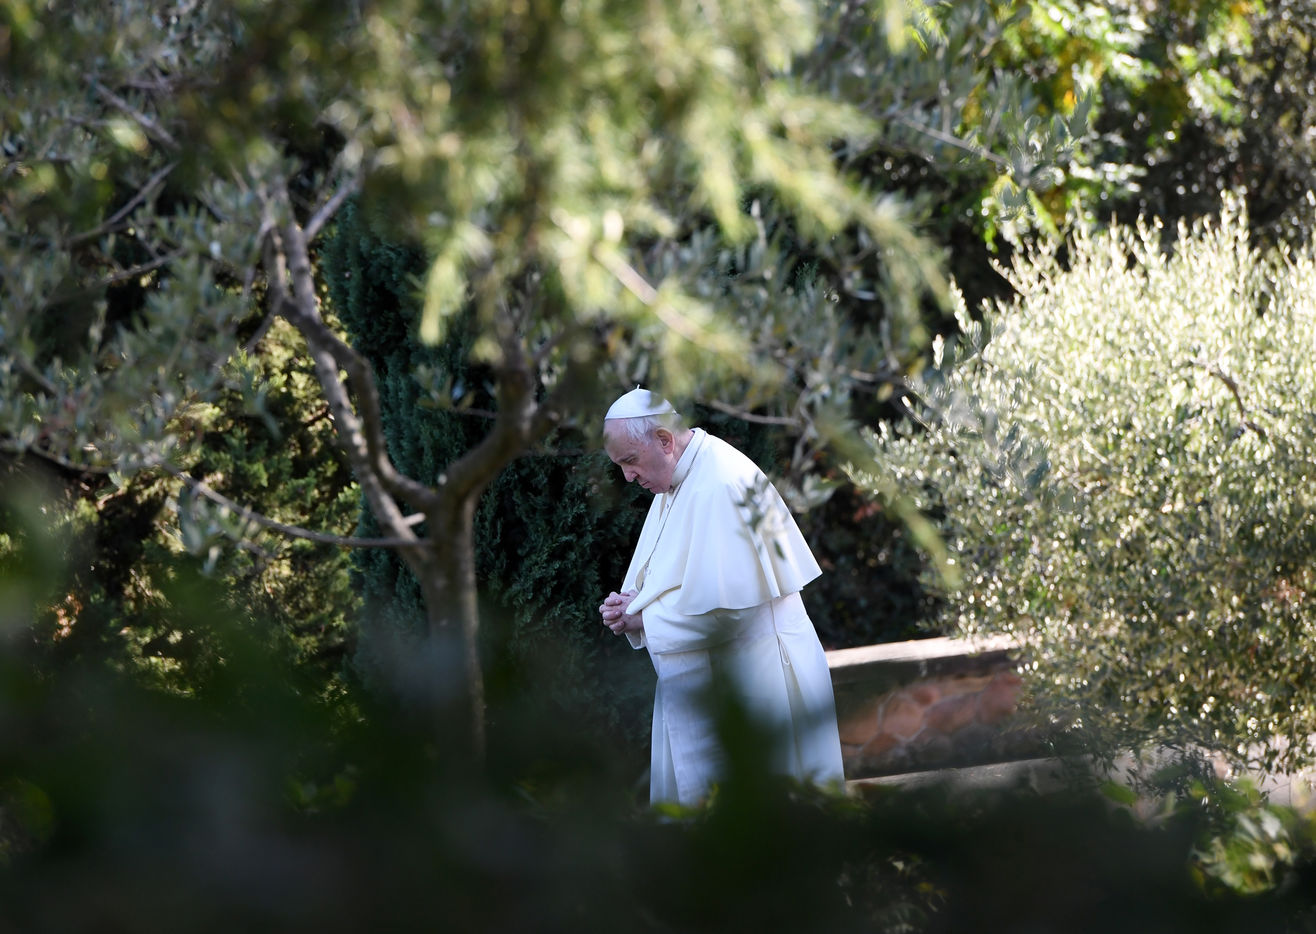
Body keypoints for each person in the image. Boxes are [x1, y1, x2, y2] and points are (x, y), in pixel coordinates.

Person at [598, 387, 845, 806]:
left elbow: (732, 611)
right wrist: (632, 603)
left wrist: (646, 618)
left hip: (762, 678)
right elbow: (676, 578)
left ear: (664, 440)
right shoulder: (679, 480)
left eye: (630, 460)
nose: (627, 476)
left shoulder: (720, 482)